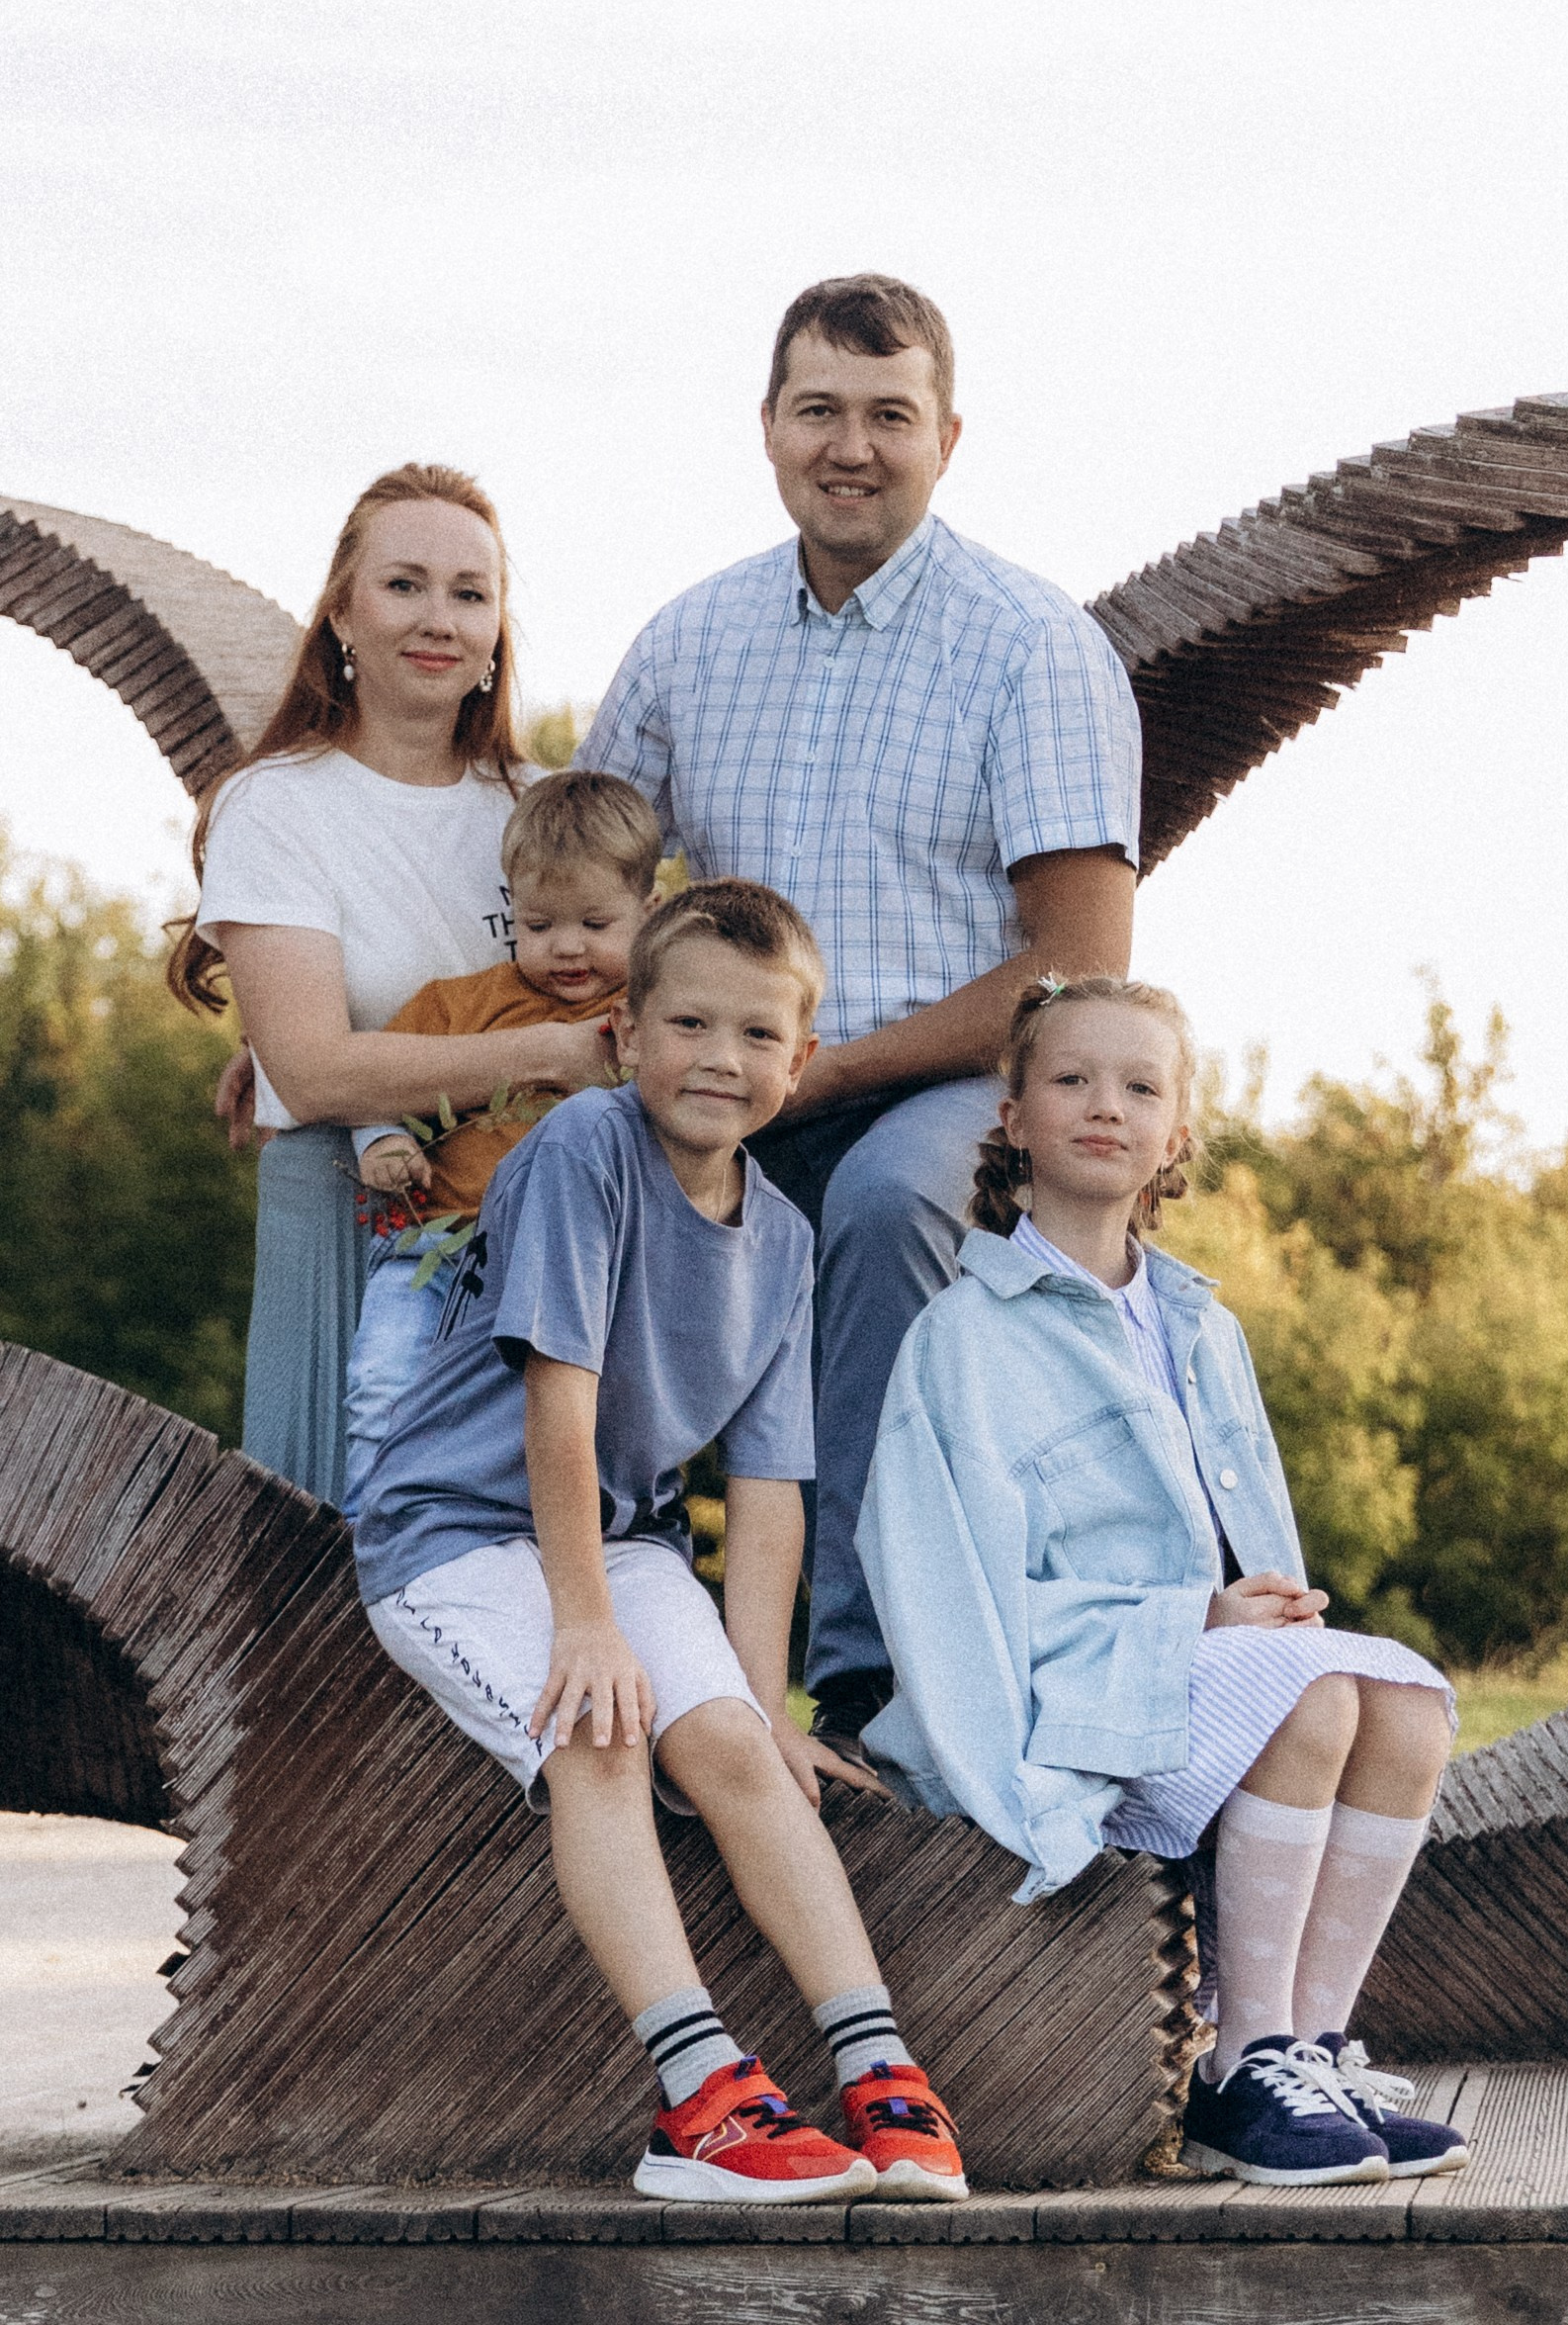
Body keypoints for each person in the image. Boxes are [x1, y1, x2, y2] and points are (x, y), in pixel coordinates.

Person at [581, 271, 1142, 1743]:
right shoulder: (688, 645)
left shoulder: (1033, 646)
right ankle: (610, 1626)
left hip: (947, 1088)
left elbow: (1077, 966)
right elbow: (569, 890)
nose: (852, 445)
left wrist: (827, 1079)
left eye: (889, 416)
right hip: (731, 1071)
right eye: (820, 409)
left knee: (886, 1205)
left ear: (948, 436)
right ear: (767, 427)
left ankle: (861, 1678)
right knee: (575, 1175)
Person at [355, 880, 968, 2208]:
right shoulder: (586, 1147)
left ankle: (882, 2074)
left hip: (614, 1544)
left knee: (741, 1749)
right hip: (456, 1533)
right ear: (628, 1035)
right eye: (688, 1023)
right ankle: (699, 2096)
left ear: (800, 1063)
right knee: (605, 1727)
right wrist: (584, 1624)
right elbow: (555, 1411)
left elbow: (767, 1493)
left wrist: (759, 1693)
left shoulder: (787, 1238)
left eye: (757, 1037)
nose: (721, 1059)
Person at [856, 975, 1467, 2191]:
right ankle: (1238, 2070)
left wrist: (1266, 1609)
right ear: (1014, 1114)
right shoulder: (964, 1340)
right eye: (1071, 1079)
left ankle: (1312, 2044)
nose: (1105, 1107)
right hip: (1059, 1692)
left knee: (1408, 1706)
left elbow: (1253, 1540)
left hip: (1190, 1673)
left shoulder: (1200, 1324)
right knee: (1314, 1702)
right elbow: (946, 1595)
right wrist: (1195, 1620)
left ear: (1176, 1136)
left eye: (1141, 1087)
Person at [168, 464, 616, 1504]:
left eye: (471, 593)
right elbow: (317, 1073)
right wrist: (551, 1051)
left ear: (499, 629)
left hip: (542, 1225)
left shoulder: (545, 810)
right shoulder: (278, 808)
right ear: (341, 613)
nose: (440, 620)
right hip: (349, 1210)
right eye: (404, 585)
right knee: (322, 1568)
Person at [340, 766, 661, 1517]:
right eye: (540, 925)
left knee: (547, 1424)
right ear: (510, 907)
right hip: (442, 1246)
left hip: (579, 1265)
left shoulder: (654, 1019)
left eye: (595, 923)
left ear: (649, 912)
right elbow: (373, 1085)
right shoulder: (459, 1004)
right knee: (384, 1385)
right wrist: (380, 1140)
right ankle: (364, 1544)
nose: (566, 948)